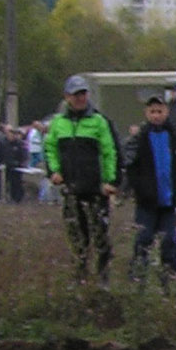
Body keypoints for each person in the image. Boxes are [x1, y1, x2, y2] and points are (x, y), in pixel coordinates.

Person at [43, 74, 120, 284]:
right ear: (67, 97)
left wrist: (111, 181)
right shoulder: (58, 123)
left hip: (96, 189)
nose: (80, 98)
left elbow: (109, 152)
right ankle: (80, 277)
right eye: (75, 94)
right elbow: (50, 149)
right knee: (77, 235)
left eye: (83, 94)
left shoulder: (99, 121)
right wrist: (53, 171)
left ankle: (103, 277)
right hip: (71, 188)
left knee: (100, 235)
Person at [122, 91, 176, 284]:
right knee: (143, 239)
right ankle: (138, 278)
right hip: (146, 201)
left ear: (166, 112)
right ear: (146, 113)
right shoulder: (139, 138)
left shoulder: (175, 137)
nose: (156, 115)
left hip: (169, 200)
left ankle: (170, 279)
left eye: (159, 111)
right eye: (152, 111)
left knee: (169, 241)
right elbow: (130, 165)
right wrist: (138, 188)